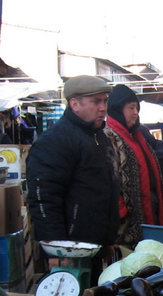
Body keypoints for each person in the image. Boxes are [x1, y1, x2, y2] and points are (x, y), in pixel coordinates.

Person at [26, 75, 120, 284]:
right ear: (74, 104)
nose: (103, 108)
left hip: (93, 248)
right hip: (70, 252)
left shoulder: (98, 137)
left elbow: (103, 191)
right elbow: (44, 199)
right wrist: (57, 250)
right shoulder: (55, 141)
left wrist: (107, 241)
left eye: (105, 101)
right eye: (96, 101)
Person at [104, 84, 163, 248]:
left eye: (137, 108)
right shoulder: (109, 137)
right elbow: (108, 178)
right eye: (131, 108)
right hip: (128, 224)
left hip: (149, 212)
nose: (135, 113)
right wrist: (121, 212)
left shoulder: (137, 136)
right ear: (118, 109)